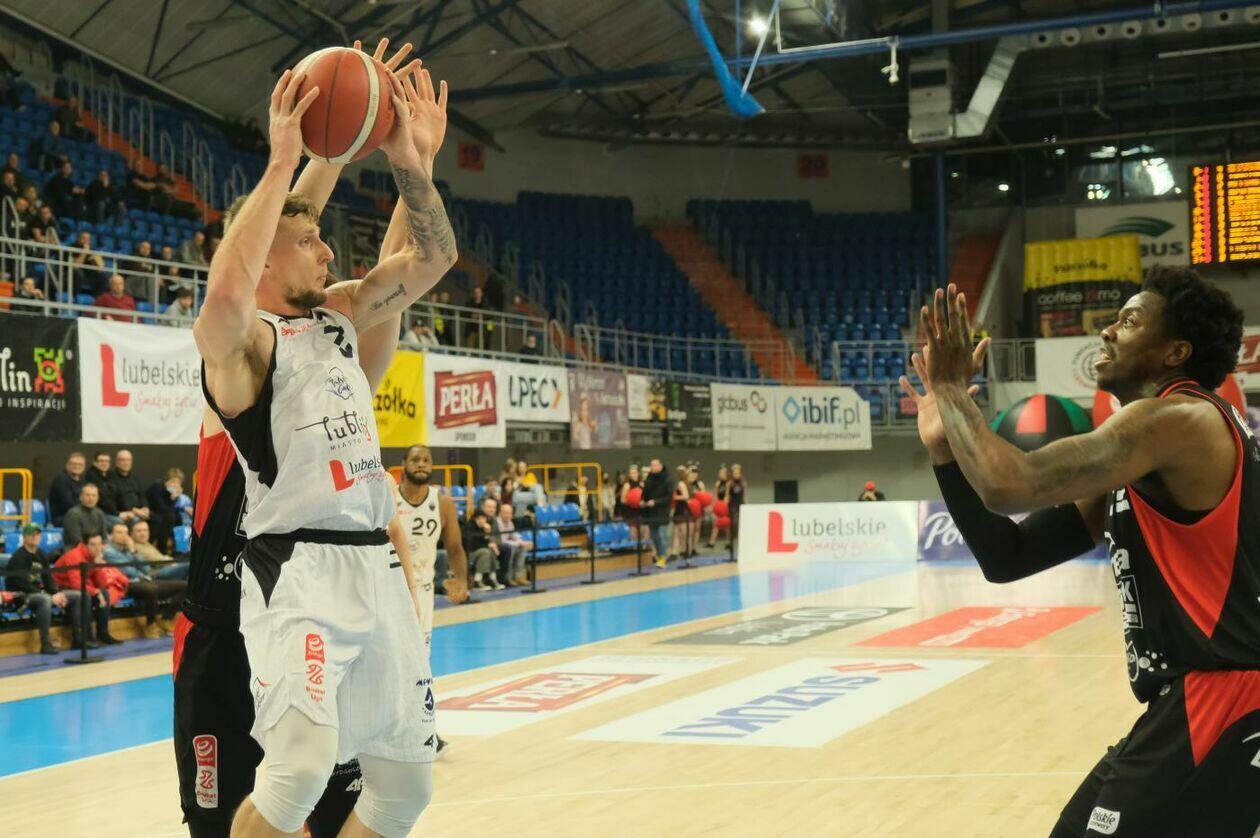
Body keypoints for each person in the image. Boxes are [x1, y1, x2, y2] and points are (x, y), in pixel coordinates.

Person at [194, 58, 455, 837]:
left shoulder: (339, 315)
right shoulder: (246, 348)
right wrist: (285, 161)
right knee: (299, 769)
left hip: (375, 566)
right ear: (266, 257)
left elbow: (433, 258)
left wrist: (411, 162)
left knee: (405, 789)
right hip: (297, 567)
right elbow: (225, 295)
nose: (329, 252)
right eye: (309, 241)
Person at [902, 274, 1260, 836]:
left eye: (1130, 320)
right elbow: (1009, 556)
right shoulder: (1151, 453)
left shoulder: (1177, 420)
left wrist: (950, 390)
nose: (1108, 330)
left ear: (1175, 352)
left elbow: (1010, 482)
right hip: (1190, 704)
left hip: (1223, 701)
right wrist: (945, 454)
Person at [394, 444, 469, 754]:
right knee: (388, 660)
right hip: (389, 587)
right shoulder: (389, 496)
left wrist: (461, 579)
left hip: (422, 591)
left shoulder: (443, 503)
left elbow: (454, 547)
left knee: (420, 662)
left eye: (426, 459)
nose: (421, 464)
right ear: (404, 464)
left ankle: (424, 730)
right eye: (416, 459)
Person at [6, 523, 74, 654]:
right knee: (45, 599)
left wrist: (56, 593)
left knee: (77, 596)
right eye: (31, 534)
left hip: (39, 594)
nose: (35, 536)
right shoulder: (18, 557)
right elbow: (22, 585)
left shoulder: (41, 554)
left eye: (37, 534)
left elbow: (48, 578)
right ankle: (45, 643)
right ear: (24, 537)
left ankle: (79, 638)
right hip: (22, 597)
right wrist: (47, 595)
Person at [53, 534, 122, 646]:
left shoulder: (93, 557)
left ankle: (103, 634)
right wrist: (95, 591)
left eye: (99, 544)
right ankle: (83, 638)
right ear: (85, 545)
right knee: (85, 596)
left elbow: (102, 585)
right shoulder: (75, 556)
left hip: (78, 588)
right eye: (93, 545)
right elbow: (76, 584)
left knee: (104, 593)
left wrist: (98, 566)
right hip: (59, 589)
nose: (97, 548)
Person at [144, 467, 184, 555]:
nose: (175, 485)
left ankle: (179, 549)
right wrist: (172, 498)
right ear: (166, 481)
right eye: (173, 481)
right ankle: (161, 549)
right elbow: (161, 506)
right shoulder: (157, 486)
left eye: (178, 483)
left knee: (178, 517)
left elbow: (171, 508)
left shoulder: (171, 492)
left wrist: (174, 498)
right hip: (151, 510)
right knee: (169, 517)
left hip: (163, 513)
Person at [462, 508, 503, 590]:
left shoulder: (483, 527)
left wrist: (488, 533)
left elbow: (486, 541)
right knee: (485, 552)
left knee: (490, 551)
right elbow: (471, 545)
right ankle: (477, 580)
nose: (483, 521)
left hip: (478, 551)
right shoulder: (469, 527)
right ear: (476, 519)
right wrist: (488, 544)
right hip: (468, 553)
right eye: (480, 519)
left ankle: (492, 578)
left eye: (484, 518)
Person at [641, 458, 672, 567]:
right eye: (651, 465)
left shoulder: (667, 479)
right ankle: (659, 556)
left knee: (662, 536)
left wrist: (656, 502)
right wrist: (643, 501)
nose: (653, 467)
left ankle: (663, 557)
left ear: (660, 466)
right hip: (651, 513)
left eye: (655, 465)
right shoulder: (649, 479)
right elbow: (645, 493)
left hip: (662, 512)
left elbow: (668, 497)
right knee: (654, 537)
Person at [106, 448, 149, 523]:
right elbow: (119, 499)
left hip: (138, 511)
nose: (126, 463)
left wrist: (145, 507)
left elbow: (142, 495)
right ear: (117, 462)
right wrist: (134, 510)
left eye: (128, 460)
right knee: (135, 520)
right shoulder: (110, 477)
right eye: (123, 460)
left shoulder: (135, 477)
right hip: (123, 512)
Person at [495, 502, 532, 586]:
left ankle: (518, 576)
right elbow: (502, 540)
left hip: (508, 545)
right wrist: (518, 543)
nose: (508, 515)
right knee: (511, 548)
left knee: (522, 548)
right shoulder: (497, 523)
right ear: (500, 513)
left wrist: (522, 542)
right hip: (499, 547)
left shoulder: (510, 522)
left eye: (510, 513)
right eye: (506, 513)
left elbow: (514, 535)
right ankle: (508, 577)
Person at [62, 482, 110, 547]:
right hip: (77, 550)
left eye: (94, 496)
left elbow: (104, 539)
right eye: (87, 495)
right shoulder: (73, 514)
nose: (91, 498)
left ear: (98, 498)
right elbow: (76, 542)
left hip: (97, 549)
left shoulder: (99, 513)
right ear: (81, 497)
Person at [48, 451, 86, 526]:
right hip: (62, 517)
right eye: (73, 464)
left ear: (84, 467)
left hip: (80, 515)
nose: (76, 466)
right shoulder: (61, 479)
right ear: (67, 465)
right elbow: (69, 504)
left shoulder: (83, 481)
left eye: (80, 464)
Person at [70, 230, 109, 295]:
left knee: (103, 276)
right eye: (84, 238)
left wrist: (99, 261)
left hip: (89, 272)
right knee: (79, 273)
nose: (86, 240)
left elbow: (101, 268)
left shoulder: (92, 249)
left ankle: (98, 298)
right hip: (76, 271)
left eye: (88, 239)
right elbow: (77, 265)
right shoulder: (73, 247)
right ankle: (75, 296)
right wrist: (85, 251)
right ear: (78, 239)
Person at [707, 466, 730, 548]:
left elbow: (727, 495)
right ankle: (711, 542)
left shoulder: (729, 483)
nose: (720, 475)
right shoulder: (718, 483)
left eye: (722, 473)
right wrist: (713, 506)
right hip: (718, 505)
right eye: (719, 473)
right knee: (716, 524)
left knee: (727, 525)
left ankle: (729, 542)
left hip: (726, 505)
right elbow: (715, 495)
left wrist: (724, 506)